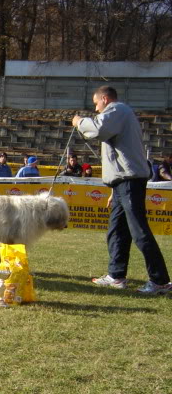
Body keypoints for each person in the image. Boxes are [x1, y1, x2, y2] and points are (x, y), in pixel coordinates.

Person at [73, 85, 171, 294]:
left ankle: (160, 281)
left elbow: (98, 129)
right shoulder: (119, 114)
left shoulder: (117, 110)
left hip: (129, 181)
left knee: (138, 230)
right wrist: (113, 189)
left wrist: (79, 122)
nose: (96, 109)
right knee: (116, 230)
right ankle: (116, 275)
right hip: (121, 183)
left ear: (105, 99)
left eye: (96, 104)